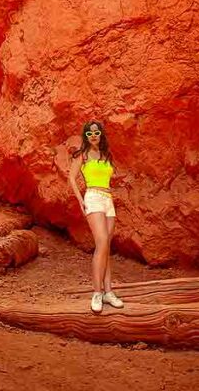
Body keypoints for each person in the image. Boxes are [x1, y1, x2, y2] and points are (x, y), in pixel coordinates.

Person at [68, 120, 125, 314]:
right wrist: (80, 200)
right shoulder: (82, 156)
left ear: (101, 135)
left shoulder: (106, 155)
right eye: (90, 133)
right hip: (92, 197)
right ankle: (97, 292)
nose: (93, 136)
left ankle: (109, 292)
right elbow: (71, 178)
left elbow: (109, 176)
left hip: (107, 198)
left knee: (106, 246)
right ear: (85, 136)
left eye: (96, 133)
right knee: (101, 242)